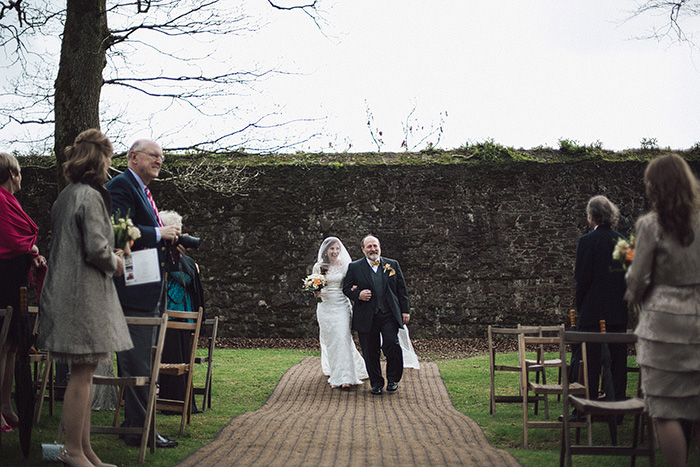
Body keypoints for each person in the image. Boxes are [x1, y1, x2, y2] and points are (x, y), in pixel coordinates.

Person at [38, 129, 133, 467]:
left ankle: (85, 449)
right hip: (82, 296)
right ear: (99, 158)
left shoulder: (66, 195)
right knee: (82, 374)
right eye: (108, 157)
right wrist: (118, 261)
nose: (110, 165)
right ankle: (73, 451)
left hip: (69, 292)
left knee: (85, 373)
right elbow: (96, 249)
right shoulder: (91, 196)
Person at [625, 154, 700, 467]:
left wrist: (632, 293)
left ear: (657, 187)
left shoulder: (651, 225)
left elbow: (638, 278)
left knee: (665, 412)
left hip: (663, 326)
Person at [106, 139, 180, 448]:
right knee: (137, 364)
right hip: (133, 291)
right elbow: (118, 230)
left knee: (146, 362)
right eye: (154, 155)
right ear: (133, 157)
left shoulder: (143, 190)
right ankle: (141, 431)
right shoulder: (122, 186)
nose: (160, 160)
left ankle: (134, 426)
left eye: (162, 156)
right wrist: (158, 233)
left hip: (149, 287)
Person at [0, 152, 46, 432]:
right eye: (18, 172)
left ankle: (6, 403)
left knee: (12, 346)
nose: (21, 177)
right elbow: (9, 238)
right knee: (1, 345)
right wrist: (31, 249)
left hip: (16, 278)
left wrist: (31, 253)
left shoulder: (12, 201)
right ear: (11, 174)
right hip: (3, 279)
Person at [574, 195, 628, 404]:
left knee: (589, 362)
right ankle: (619, 405)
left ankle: (588, 404)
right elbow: (628, 276)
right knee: (617, 361)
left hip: (593, 311)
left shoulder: (586, 242)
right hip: (617, 311)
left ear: (591, 216)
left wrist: (581, 307)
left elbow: (582, 278)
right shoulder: (622, 242)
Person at [343, 235, 410, 395]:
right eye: (369, 246)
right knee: (370, 350)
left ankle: (393, 379)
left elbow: (402, 289)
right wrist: (358, 295)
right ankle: (376, 383)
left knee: (392, 345)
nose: (373, 249)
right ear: (363, 249)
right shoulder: (355, 267)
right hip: (366, 315)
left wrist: (405, 310)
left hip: (388, 314)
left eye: (375, 246)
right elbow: (345, 289)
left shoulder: (392, 264)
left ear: (379, 247)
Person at [158, 210, 204, 409]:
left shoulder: (180, 261)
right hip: (172, 319)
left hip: (178, 319)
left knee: (177, 359)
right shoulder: (171, 258)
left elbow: (186, 280)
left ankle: (176, 402)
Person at [312, 237, 368, 388]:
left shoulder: (346, 265)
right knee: (331, 341)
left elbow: (351, 284)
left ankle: (345, 378)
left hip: (341, 306)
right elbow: (315, 287)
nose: (335, 251)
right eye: (332, 249)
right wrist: (315, 292)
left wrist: (355, 289)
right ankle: (339, 371)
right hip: (325, 307)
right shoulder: (319, 267)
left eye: (337, 248)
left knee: (343, 338)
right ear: (326, 251)